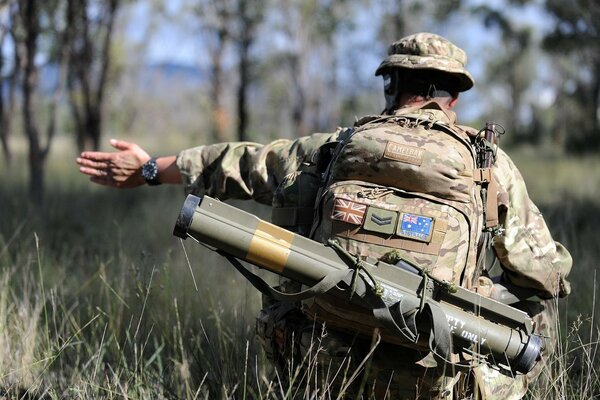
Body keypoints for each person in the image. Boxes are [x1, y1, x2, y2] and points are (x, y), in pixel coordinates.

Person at [77, 33, 572, 399]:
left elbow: (238, 164)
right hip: (437, 376)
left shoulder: (330, 151)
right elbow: (544, 273)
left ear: (392, 86)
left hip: (322, 368)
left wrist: (146, 169)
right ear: (454, 98)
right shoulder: (490, 169)